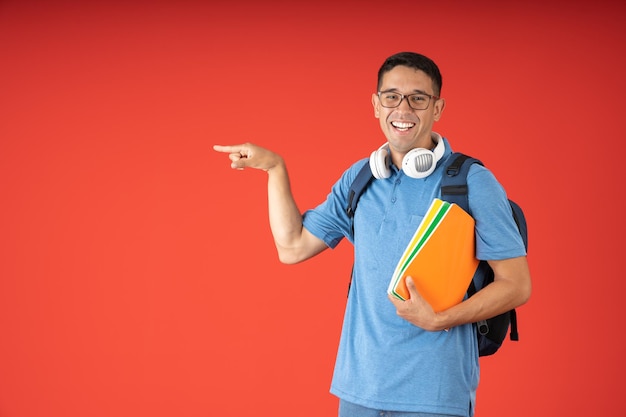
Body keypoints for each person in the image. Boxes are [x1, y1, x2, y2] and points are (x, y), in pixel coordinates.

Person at [213, 52, 531, 417]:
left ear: (437, 108)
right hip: (358, 390)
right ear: (376, 105)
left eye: (418, 98)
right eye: (392, 96)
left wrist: (440, 320)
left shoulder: (471, 182)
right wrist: (274, 168)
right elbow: (293, 247)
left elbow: (517, 284)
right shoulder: (361, 178)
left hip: (434, 395)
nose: (403, 108)